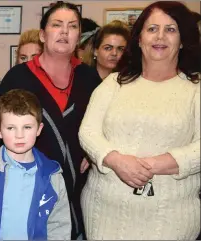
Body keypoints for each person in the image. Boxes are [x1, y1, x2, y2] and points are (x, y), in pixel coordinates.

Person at [78, 2, 200, 239]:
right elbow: (88, 132)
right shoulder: (113, 84)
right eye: (152, 28)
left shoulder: (195, 90)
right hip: (103, 213)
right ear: (139, 38)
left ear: (183, 40)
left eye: (171, 29)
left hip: (170, 217)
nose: (160, 36)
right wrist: (117, 161)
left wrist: (152, 165)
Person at [0, 2, 102, 239]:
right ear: (42, 34)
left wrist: (93, 153)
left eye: (72, 26)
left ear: (79, 36)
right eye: (56, 25)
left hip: (80, 190)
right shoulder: (18, 77)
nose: (64, 31)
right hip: (27, 189)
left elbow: (104, 126)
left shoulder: (89, 78)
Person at [0, 89, 71, 240]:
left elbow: (59, 226)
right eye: (11, 128)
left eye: (27, 127)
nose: (19, 135)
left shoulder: (52, 175)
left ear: (39, 129)